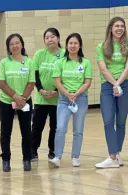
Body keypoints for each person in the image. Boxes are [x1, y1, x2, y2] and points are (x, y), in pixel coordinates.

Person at [49, 33, 92, 168]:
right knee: (60, 128)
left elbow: (87, 82)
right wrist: (67, 94)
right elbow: (57, 82)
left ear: (79, 46)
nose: (73, 46)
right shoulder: (60, 63)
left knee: (78, 129)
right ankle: (57, 157)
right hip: (63, 99)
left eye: (75, 43)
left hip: (80, 99)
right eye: (70, 43)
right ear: (66, 45)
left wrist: (77, 94)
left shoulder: (85, 63)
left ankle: (75, 156)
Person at [0, 33, 35, 172]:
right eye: (12, 44)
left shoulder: (29, 62)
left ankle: (27, 159)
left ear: (22, 44)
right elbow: (1, 83)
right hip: (6, 101)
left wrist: (22, 98)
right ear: (8, 47)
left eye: (17, 43)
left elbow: (31, 83)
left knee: (26, 131)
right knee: (5, 131)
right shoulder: (4, 62)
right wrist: (15, 96)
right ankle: (6, 160)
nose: (15, 45)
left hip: (25, 101)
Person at [95, 17, 128, 169]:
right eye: (117, 26)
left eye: (122, 26)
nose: (119, 28)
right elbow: (103, 68)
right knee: (108, 120)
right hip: (108, 86)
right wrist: (114, 84)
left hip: (125, 84)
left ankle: (116, 154)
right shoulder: (101, 47)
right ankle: (112, 156)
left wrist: (119, 83)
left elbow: (127, 68)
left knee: (121, 122)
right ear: (110, 28)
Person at [31, 28, 65, 161]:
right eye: (47, 37)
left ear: (58, 38)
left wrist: (57, 91)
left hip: (59, 99)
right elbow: (35, 74)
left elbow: (66, 75)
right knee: (37, 126)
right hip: (41, 98)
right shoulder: (39, 54)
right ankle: (33, 151)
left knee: (55, 127)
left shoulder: (64, 54)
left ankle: (53, 151)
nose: (50, 39)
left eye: (53, 36)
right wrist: (40, 90)